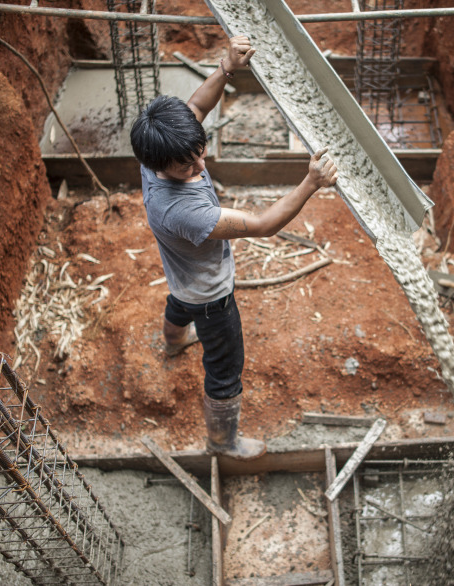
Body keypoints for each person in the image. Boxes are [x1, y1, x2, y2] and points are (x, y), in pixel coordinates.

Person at [130, 36, 338, 460]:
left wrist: (227, 68)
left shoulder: (159, 144)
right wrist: (311, 182)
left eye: (200, 151)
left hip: (182, 276)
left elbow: (196, 106)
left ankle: (173, 342)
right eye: (187, 166)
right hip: (211, 295)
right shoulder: (184, 210)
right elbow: (262, 225)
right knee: (224, 369)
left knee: (178, 302)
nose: (200, 166)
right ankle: (222, 441)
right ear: (159, 164)